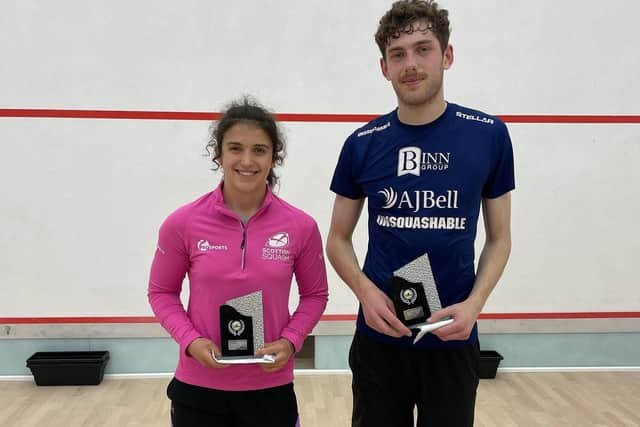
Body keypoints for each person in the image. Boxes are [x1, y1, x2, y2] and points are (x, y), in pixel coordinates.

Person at [326, 1, 514, 426]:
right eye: (398, 54)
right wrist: (364, 292)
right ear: (384, 67)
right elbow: (337, 239)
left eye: (422, 48)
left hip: (453, 339)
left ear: (447, 55)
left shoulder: (490, 136)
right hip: (380, 341)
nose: (410, 64)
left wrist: (475, 304)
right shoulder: (362, 144)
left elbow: (499, 238)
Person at [148, 96, 329, 427]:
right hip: (198, 388)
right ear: (218, 154)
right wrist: (190, 341)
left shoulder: (301, 227)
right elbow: (161, 293)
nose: (247, 160)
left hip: (270, 388)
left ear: (274, 157)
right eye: (235, 148)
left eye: (259, 150)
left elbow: (315, 295)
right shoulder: (182, 223)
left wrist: (291, 341)